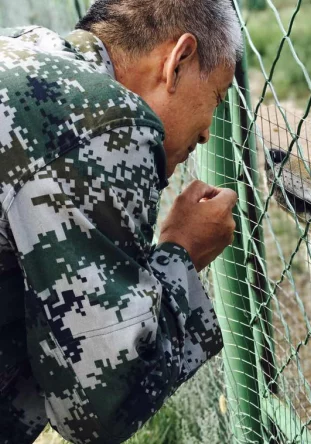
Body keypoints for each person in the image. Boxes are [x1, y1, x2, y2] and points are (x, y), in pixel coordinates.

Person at [0, 0, 242, 442]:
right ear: (178, 60)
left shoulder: (23, 52)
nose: (209, 131)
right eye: (217, 97)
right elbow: (97, 407)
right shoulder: (100, 117)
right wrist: (181, 255)